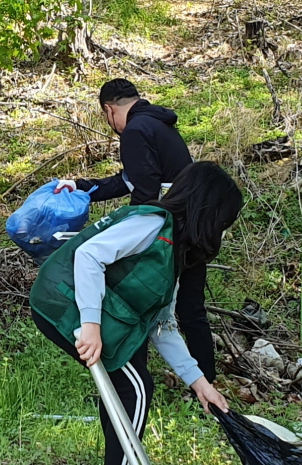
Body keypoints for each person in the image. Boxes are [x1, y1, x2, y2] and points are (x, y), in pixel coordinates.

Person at [30, 161, 239, 465]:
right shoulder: (151, 225)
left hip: (92, 311)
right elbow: (89, 254)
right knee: (136, 387)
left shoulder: (174, 250)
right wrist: (91, 324)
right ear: (207, 211)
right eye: (222, 222)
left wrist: (199, 383)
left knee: (125, 384)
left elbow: (163, 323)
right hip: (62, 302)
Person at [51, 78, 216, 382]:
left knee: (156, 307)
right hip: (194, 227)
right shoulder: (159, 125)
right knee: (191, 307)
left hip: (169, 234)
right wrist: (81, 186)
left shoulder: (136, 131)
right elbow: (128, 181)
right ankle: (206, 381)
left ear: (108, 110)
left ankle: (153, 372)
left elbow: (145, 192)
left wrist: (129, 233)